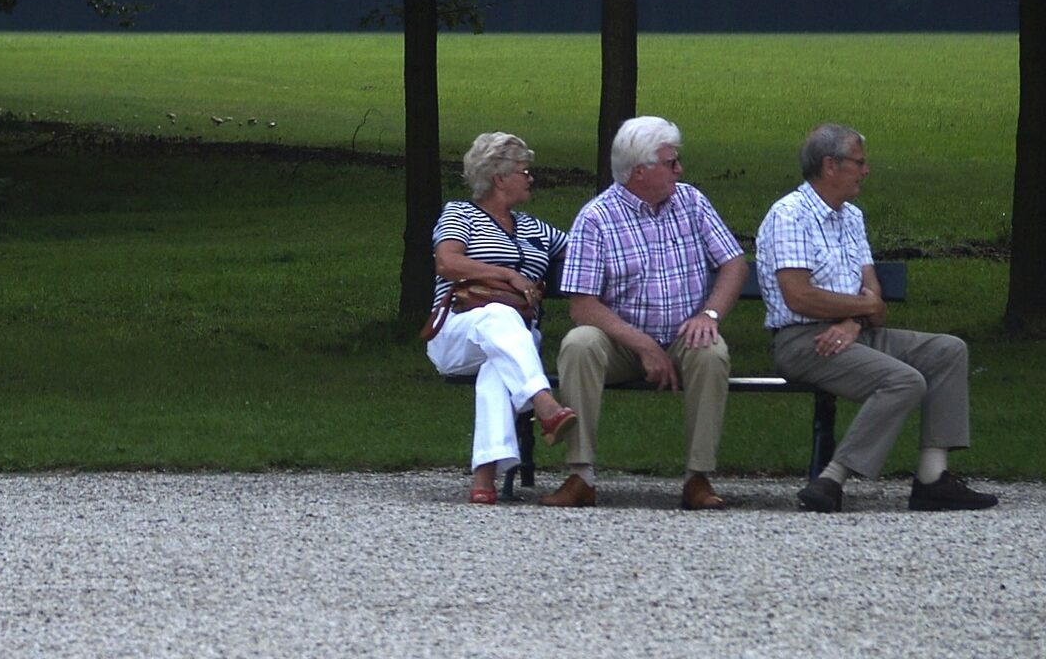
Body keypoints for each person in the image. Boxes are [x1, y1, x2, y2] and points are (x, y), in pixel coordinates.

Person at [755, 123, 997, 513]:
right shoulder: (789, 216)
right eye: (860, 162)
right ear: (831, 165)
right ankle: (832, 479)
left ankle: (933, 479)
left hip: (854, 334)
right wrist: (861, 309)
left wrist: (855, 321)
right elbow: (799, 297)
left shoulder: (851, 217)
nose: (866, 171)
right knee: (904, 380)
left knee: (948, 351)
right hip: (803, 341)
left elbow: (874, 297)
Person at [541, 115, 747, 510]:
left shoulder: (691, 201)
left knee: (711, 351)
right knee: (579, 344)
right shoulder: (596, 218)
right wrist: (643, 346)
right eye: (671, 162)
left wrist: (710, 316)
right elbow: (582, 306)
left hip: (683, 337)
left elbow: (734, 263)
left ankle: (697, 477)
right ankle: (580, 474)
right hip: (621, 343)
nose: (680, 170)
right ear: (640, 171)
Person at [424, 132, 578, 504]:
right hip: (457, 332)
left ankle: (484, 479)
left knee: (500, 364)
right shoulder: (460, 214)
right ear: (499, 178)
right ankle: (544, 404)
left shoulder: (534, 228)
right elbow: (447, 261)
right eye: (524, 171)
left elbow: (582, 249)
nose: (530, 178)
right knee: (498, 315)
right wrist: (506, 275)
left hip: (517, 341)